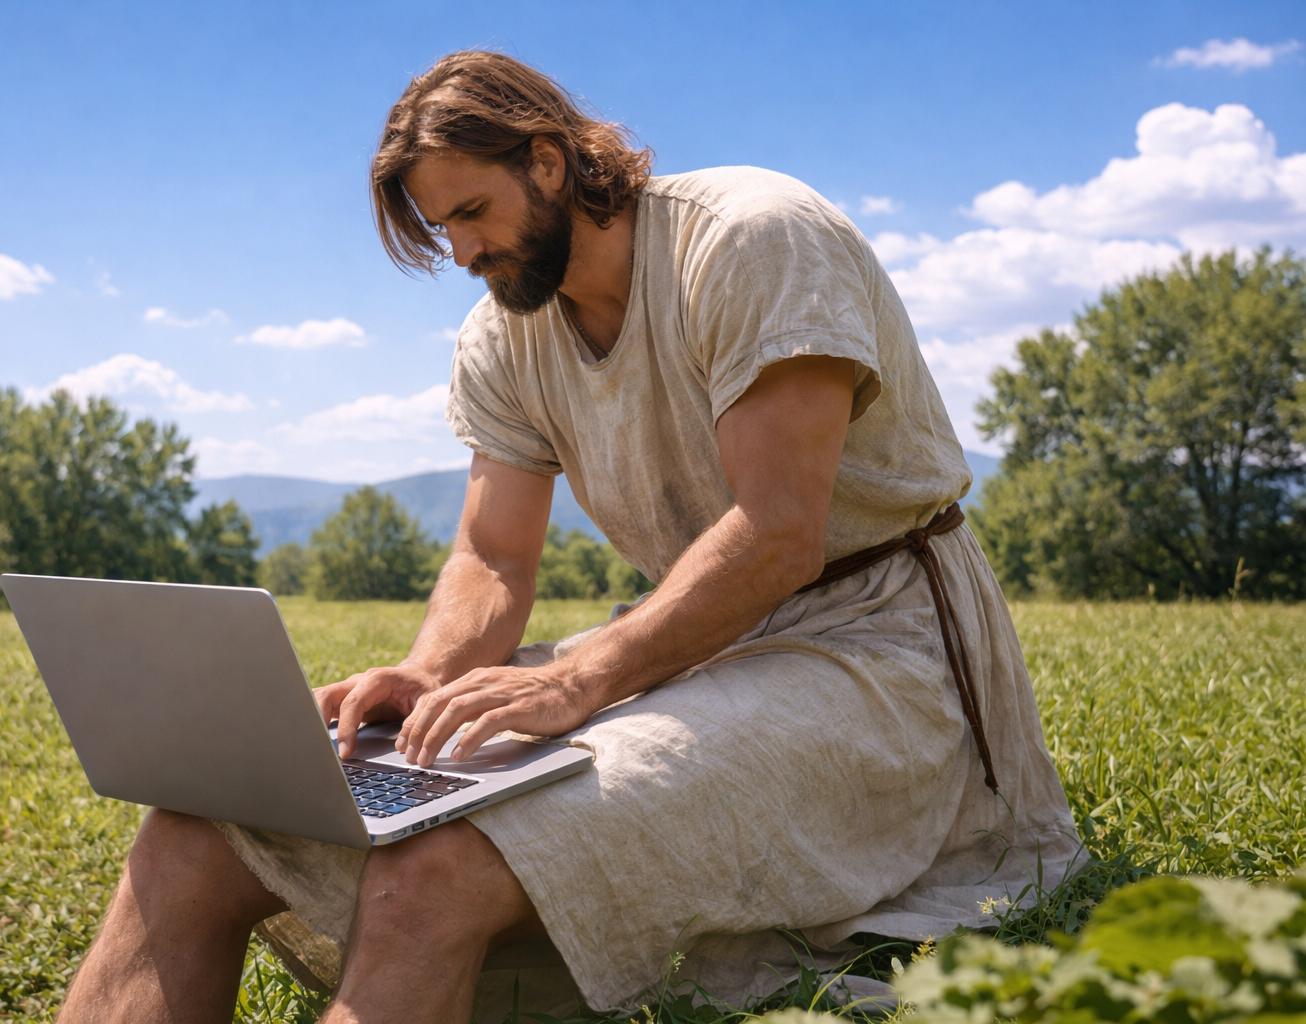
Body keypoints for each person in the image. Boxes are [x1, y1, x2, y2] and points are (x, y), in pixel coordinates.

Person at [56, 51, 1083, 1024]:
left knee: (433, 868)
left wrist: (576, 678)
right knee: (194, 827)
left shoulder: (753, 239)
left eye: (471, 212)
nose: (460, 252)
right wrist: (430, 672)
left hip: (879, 655)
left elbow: (778, 536)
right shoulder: (505, 331)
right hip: (691, 650)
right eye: (438, 226)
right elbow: (492, 555)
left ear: (548, 161)